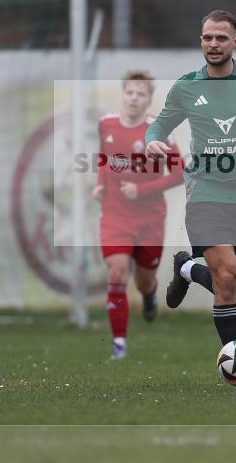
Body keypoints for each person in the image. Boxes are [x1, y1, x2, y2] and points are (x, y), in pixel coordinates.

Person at [145, 10, 236, 392]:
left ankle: (186, 269)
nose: (213, 44)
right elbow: (160, 124)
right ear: (201, 41)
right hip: (206, 194)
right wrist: (152, 140)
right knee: (226, 277)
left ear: (235, 42)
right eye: (207, 37)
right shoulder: (187, 87)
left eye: (221, 38)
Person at [92, 70, 184, 360]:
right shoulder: (105, 124)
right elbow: (104, 158)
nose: (133, 98)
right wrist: (99, 185)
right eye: (129, 92)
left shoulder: (159, 130)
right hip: (115, 215)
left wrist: (141, 190)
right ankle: (119, 344)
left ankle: (149, 293)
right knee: (117, 271)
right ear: (123, 94)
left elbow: (180, 173)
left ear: (148, 99)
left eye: (140, 94)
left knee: (144, 280)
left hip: (149, 218)